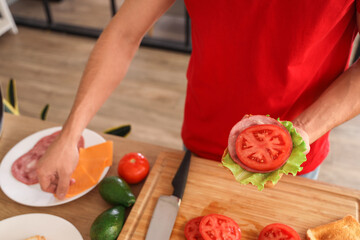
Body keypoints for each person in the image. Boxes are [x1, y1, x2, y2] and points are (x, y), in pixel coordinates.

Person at [37, 0, 360, 199]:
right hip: (202, 140)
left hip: (294, 153)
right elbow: (124, 32)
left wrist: (300, 131)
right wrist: (69, 134)